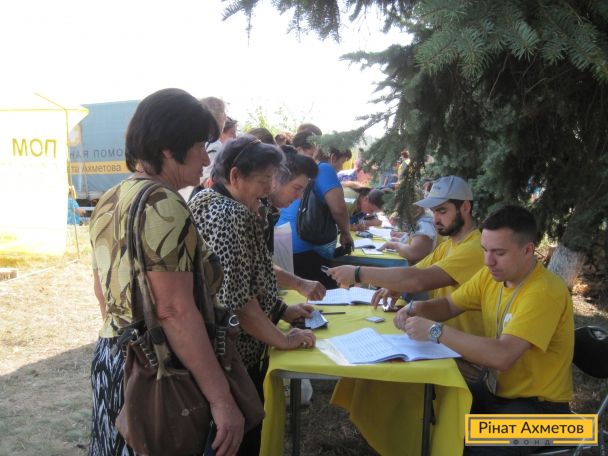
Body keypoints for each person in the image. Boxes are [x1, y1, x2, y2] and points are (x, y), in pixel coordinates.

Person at [89, 88, 244, 456]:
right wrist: (221, 399)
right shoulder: (164, 204)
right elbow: (174, 310)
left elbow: (101, 290)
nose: (205, 159)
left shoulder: (112, 197)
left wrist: (130, 349)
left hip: (115, 357)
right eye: (199, 146)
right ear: (168, 149)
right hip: (160, 372)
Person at [394, 205, 574, 455]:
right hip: (497, 394)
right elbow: (449, 305)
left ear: (528, 250)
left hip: (545, 413)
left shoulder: (544, 292)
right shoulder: (492, 276)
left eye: (499, 253)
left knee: (470, 448)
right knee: (431, 409)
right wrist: (416, 308)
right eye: (485, 250)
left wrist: (435, 331)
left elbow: (502, 356)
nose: (488, 261)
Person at [188, 135, 316, 455]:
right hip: (233, 358)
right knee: (239, 440)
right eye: (264, 180)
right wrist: (284, 339)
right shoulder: (230, 215)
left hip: (220, 352)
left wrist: (281, 309)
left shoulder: (211, 201)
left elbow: (245, 275)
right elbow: (239, 304)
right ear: (235, 176)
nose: (270, 189)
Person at [327, 175, 484, 336]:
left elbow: (417, 279)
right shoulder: (449, 245)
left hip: (463, 346)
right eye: (434, 212)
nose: (435, 219)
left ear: (465, 207)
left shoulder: (474, 249)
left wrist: (358, 273)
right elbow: (415, 271)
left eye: (442, 211)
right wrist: (396, 286)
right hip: (442, 339)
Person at [278, 130, 353, 288]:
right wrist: (346, 233)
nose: (340, 168)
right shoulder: (324, 169)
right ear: (333, 157)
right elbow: (339, 209)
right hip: (306, 246)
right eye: (341, 162)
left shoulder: (297, 168)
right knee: (323, 294)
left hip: (282, 240)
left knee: (291, 295)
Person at [265, 145, 326, 300]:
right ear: (276, 179)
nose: (299, 197)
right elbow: (255, 268)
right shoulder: (253, 210)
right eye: (297, 188)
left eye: (303, 190)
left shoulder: (266, 210)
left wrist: (282, 310)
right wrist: (300, 284)